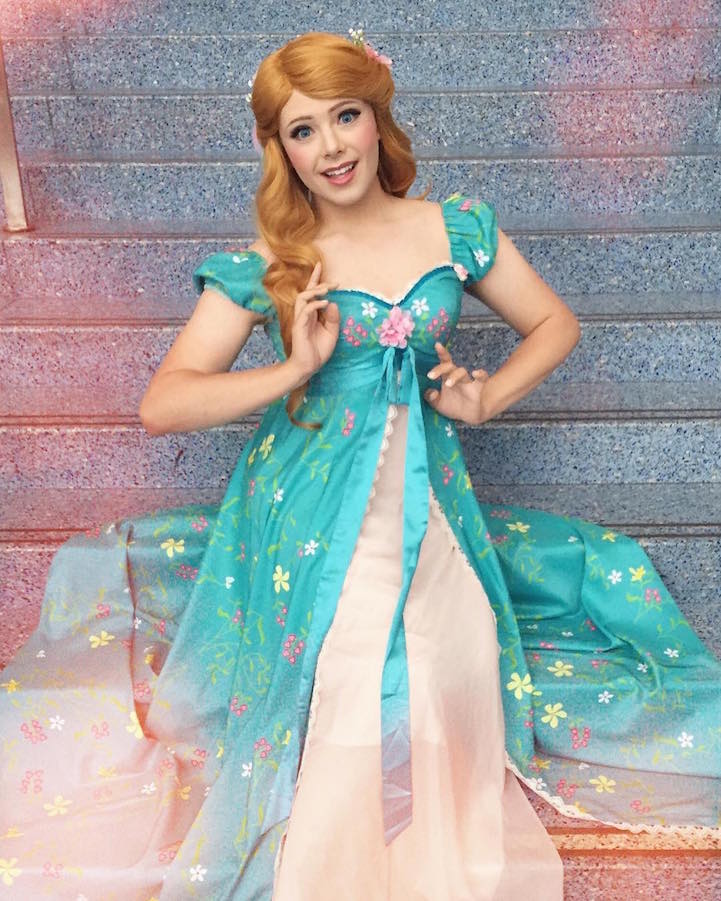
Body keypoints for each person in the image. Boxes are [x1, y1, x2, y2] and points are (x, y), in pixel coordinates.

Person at [1, 28, 719, 901]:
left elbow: (553, 323)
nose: (331, 147)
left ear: (377, 117)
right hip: (307, 499)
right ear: (278, 149)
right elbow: (165, 403)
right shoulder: (276, 260)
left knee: (450, 660)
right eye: (302, 131)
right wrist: (292, 369)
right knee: (350, 664)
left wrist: (487, 396)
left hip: (428, 490)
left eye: (345, 116)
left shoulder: (453, 228)